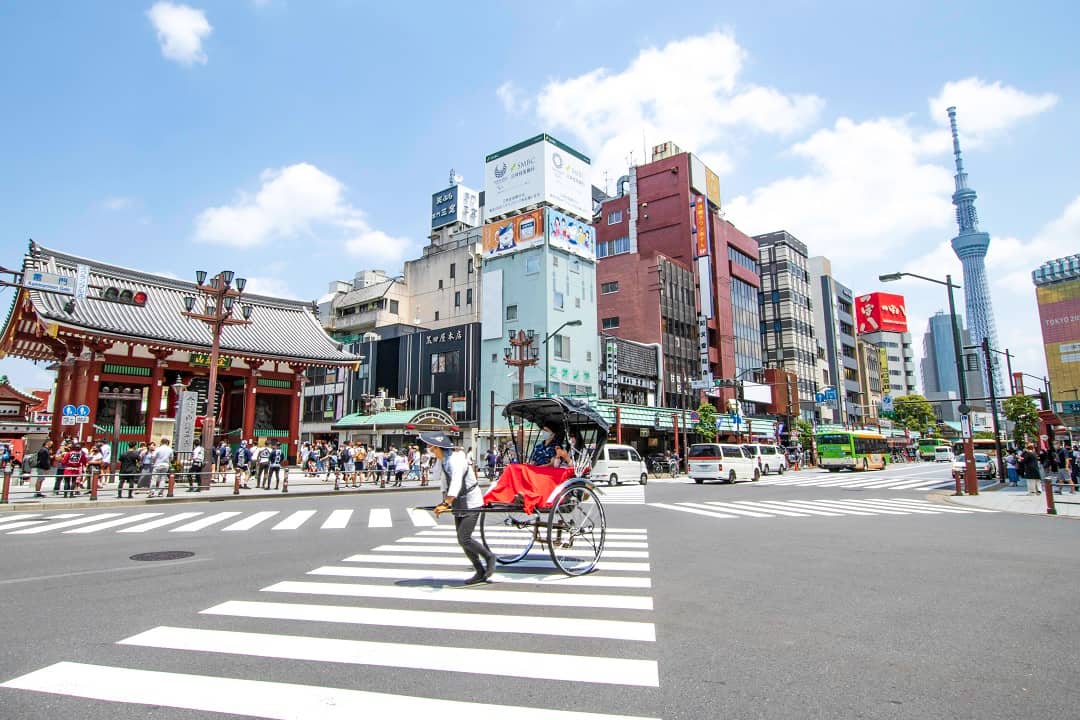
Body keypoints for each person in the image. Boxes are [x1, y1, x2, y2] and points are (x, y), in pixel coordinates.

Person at [423, 431, 494, 586]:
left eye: (430, 447)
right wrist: (443, 502)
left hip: (471, 501)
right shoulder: (444, 460)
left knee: (464, 537)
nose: (428, 449)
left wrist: (446, 503)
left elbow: (456, 482)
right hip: (458, 502)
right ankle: (480, 571)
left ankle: (489, 557)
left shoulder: (456, 460)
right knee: (462, 541)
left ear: (437, 447)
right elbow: (440, 480)